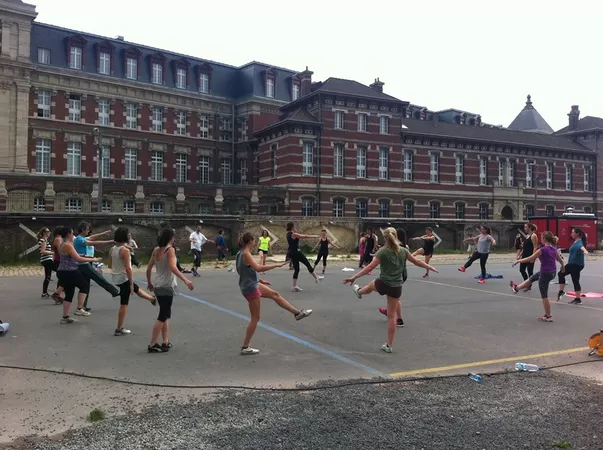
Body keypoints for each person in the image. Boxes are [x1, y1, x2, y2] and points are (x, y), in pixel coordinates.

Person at [343, 227, 438, 353]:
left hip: (383, 283)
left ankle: (359, 292)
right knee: (392, 317)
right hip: (396, 287)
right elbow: (417, 262)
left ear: (385, 238)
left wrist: (354, 277)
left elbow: (368, 268)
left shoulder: (382, 252)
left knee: (370, 287)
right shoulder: (403, 251)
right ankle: (389, 345)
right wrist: (430, 267)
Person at [236, 232, 313, 355]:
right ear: (250, 241)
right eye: (254, 240)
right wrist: (276, 265)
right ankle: (245, 347)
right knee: (255, 318)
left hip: (252, 284)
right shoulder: (245, 254)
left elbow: (243, 270)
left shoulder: (240, 253)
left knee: (275, 295)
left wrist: (259, 280)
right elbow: (258, 268)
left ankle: (297, 313)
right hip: (250, 288)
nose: (255, 242)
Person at [146, 228, 194, 353]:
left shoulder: (156, 250)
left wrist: (149, 282)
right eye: (173, 237)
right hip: (167, 286)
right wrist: (186, 280)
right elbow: (173, 267)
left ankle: (165, 341)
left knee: (165, 314)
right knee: (162, 315)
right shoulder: (170, 250)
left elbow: (148, 268)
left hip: (157, 285)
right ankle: (152, 343)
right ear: (171, 238)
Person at [107, 227, 157, 336]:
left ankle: (151, 299)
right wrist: (130, 283)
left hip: (116, 277)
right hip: (124, 278)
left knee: (136, 288)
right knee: (124, 303)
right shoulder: (125, 250)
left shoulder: (112, 249)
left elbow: (109, 265)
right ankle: (119, 328)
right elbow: (128, 268)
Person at [510, 232, 565, 322]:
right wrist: (562, 267)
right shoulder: (554, 249)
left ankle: (548, 316)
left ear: (544, 239)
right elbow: (560, 260)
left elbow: (529, 258)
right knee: (533, 277)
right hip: (552, 272)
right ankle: (517, 288)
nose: (541, 239)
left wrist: (518, 261)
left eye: (541, 238)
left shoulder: (542, 250)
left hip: (545, 273)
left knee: (544, 296)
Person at [56, 228, 103, 323]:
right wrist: (93, 260)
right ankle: (79, 309)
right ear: (69, 234)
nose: (74, 235)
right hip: (70, 271)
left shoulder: (62, 244)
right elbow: (78, 258)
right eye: (72, 233)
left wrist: (88, 257)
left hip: (63, 271)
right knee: (84, 286)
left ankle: (65, 317)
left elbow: (75, 255)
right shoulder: (68, 245)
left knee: (69, 293)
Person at [73, 221, 120, 312]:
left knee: (86, 286)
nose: (88, 231)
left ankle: (82, 306)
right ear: (82, 230)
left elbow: (92, 237)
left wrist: (103, 233)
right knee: (99, 278)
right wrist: (110, 241)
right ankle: (114, 291)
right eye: (87, 229)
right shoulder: (79, 239)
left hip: (85, 263)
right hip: (84, 264)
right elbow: (94, 242)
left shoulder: (82, 238)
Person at [378, 227, 410, 326]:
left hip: (395, 273)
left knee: (395, 297)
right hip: (403, 272)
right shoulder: (405, 247)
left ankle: (398, 318)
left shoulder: (395, 248)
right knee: (393, 295)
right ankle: (390, 310)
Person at [286, 222, 323, 292]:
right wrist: (313, 236)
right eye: (294, 226)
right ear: (292, 227)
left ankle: (294, 286)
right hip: (296, 252)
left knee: (297, 269)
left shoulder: (288, 234)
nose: (295, 227)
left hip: (292, 253)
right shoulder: (294, 234)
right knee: (307, 263)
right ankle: (316, 277)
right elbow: (303, 236)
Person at [557, 227, 588, 305]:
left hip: (576, 264)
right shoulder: (575, 242)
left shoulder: (579, 243)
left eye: (572, 232)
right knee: (566, 276)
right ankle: (577, 299)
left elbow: (582, 248)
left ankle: (562, 292)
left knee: (563, 274)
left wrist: (585, 251)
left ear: (577, 234)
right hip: (573, 263)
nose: (571, 234)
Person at [38, 227, 61, 301]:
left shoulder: (44, 240)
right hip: (47, 260)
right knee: (60, 271)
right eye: (48, 232)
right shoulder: (43, 240)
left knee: (48, 276)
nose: (49, 233)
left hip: (46, 260)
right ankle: (58, 292)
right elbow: (42, 251)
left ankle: (44, 293)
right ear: (44, 233)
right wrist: (53, 253)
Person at [518, 224, 538, 290]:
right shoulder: (527, 236)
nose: (525, 228)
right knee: (522, 270)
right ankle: (526, 283)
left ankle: (528, 285)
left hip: (530, 255)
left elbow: (535, 247)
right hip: (524, 256)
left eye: (526, 227)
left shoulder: (534, 236)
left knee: (530, 271)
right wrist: (520, 255)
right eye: (524, 227)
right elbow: (524, 247)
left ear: (530, 227)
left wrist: (533, 257)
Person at [50, 226, 65, 303]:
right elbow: (60, 250)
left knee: (63, 279)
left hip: (60, 261)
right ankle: (57, 294)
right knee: (65, 278)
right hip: (59, 261)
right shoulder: (58, 239)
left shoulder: (60, 239)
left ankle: (58, 295)